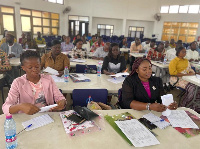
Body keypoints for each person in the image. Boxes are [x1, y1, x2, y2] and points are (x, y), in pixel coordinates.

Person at [2, 50, 66, 115]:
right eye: (30, 67)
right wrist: (20, 106)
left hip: (48, 115)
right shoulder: (18, 83)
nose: (34, 69)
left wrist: (62, 101)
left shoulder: (48, 79)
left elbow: (59, 97)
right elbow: (6, 107)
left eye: (37, 66)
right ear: (23, 68)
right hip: (26, 117)